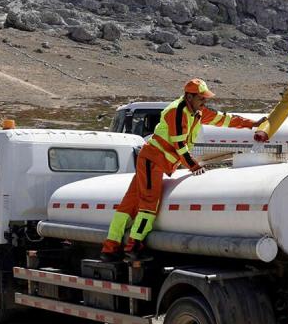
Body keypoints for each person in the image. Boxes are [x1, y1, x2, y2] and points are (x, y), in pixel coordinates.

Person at [101, 78, 267, 261]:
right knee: (149, 204)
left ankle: (110, 249)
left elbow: (224, 119)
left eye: (205, 98)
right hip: (152, 160)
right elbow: (180, 145)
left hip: (156, 161)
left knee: (129, 203)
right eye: (201, 98)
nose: (205, 101)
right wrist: (193, 166)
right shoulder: (177, 111)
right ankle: (133, 247)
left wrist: (251, 124)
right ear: (189, 96)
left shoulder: (198, 112)